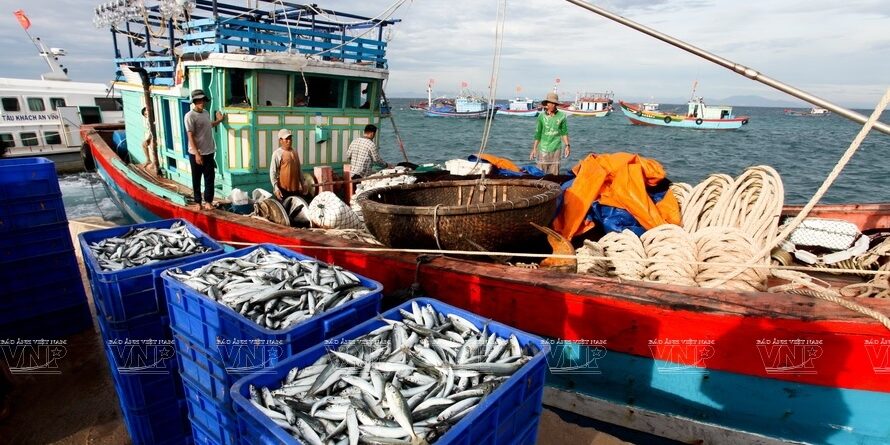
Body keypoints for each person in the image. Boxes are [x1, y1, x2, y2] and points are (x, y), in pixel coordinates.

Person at [184, 89, 225, 210]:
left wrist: (219, 120)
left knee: (209, 178)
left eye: (203, 100)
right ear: (194, 102)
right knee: (196, 178)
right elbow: (190, 135)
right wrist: (197, 154)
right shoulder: (190, 116)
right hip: (196, 153)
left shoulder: (206, 113)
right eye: (198, 101)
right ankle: (198, 202)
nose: (201, 102)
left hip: (209, 151)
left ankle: (208, 201)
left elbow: (209, 125)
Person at [530, 92, 570, 175]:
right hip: (543, 148)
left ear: (556, 104)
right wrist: (534, 149)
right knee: (540, 173)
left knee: (554, 174)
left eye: (554, 103)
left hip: (556, 148)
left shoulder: (562, 116)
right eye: (550, 103)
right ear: (547, 104)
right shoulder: (541, 116)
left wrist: (567, 146)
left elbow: (564, 132)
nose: (552, 105)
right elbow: (538, 134)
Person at [269, 128, 304, 199]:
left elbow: (299, 169)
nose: (289, 141)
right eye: (287, 139)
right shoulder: (277, 154)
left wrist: (303, 183)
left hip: (295, 190)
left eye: (290, 138)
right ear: (280, 140)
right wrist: (276, 188)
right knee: (283, 206)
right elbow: (273, 172)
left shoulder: (295, 152)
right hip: (283, 191)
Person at [141, 107, 157, 172]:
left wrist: (149, 139)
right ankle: (148, 160)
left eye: (147, 113)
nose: (147, 115)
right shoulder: (148, 121)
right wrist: (148, 139)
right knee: (144, 144)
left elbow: (154, 130)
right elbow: (151, 132)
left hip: (156, 136)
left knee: (153, 146)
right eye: (146, 114)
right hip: (152, 136)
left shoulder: (154, 119)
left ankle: (155, 162)